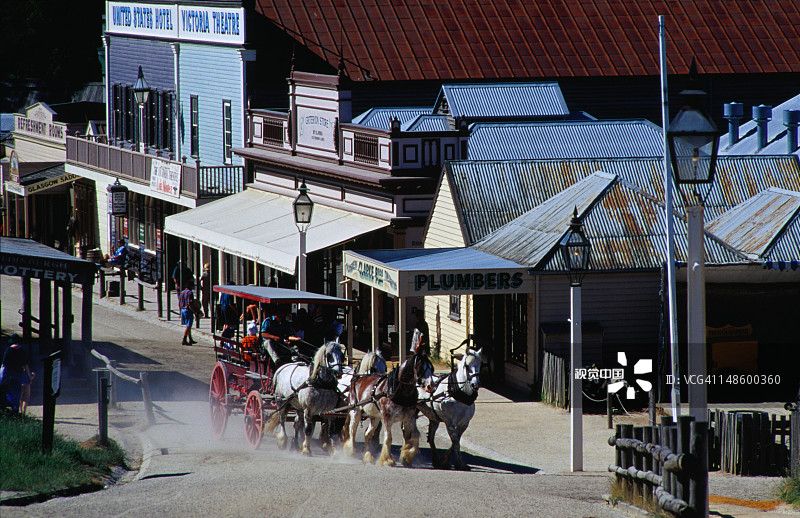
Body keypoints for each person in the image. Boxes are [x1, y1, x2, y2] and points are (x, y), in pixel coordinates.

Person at [0, 334, 33, 412]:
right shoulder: (22, 350)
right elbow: (26, 365)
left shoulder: (8, 350)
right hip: (18, 374)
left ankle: (9, 409)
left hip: (8, 374)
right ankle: (16, 409)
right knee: (17, 393)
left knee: (8, 391)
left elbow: (4, 364)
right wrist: (29, 376)